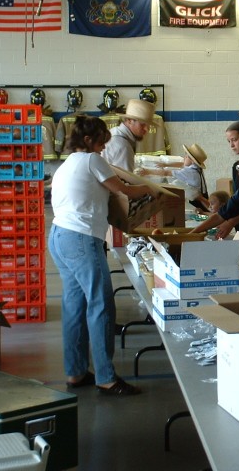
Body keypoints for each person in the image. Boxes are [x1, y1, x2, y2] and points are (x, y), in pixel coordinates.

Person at [48, 115, 157, 396]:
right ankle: (106, 377)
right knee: (101, 304)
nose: (102, 149)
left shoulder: (66, 164)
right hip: (81, 238)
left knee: (74, 305)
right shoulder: (90, 160)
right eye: (100, 143)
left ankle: (75, 372)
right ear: (88, 140)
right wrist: (150, 188)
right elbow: (126, 191)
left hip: (59, 236)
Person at [101, 98, 154, 172]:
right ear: (129, 121)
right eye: (142, 125)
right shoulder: (123, 146)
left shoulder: (115, 131)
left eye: (148, 126)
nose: (146, 129)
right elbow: (126, 181)